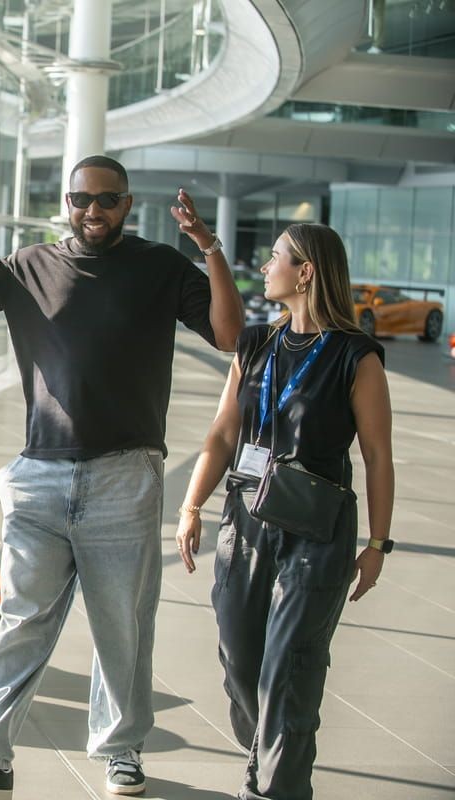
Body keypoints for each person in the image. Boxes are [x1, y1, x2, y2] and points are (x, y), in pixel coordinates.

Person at [0, 143, 244, 800]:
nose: (92, 210)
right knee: (20, 622)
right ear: (65, 203)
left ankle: (121, 753)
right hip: (38, 476)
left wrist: (209, 250)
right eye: (80, 198)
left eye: (106, 199)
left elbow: (230, 335)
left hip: (125, 476)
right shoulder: (29, 266)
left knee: (122, 627)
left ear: (127, 204)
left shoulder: (159, 266)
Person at [174, 223, 394, 799]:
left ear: (306, 272)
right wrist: (191, 503)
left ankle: (274, 789)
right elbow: (224, 433)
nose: (266, 267)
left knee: (290, 669)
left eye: (275, 258)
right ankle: (268, 761)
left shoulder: (355, 356)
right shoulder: (255, 345)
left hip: (316, 532)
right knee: (240, 659)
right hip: (245, 520)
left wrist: (378, 544)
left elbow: (377, 455)